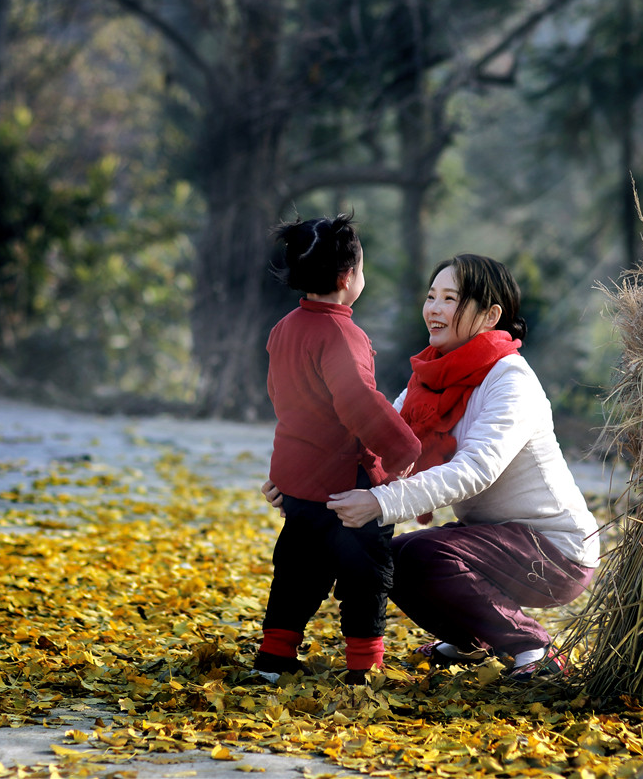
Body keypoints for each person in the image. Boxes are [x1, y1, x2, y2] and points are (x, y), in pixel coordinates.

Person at [268, 253, 600, 682]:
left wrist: (380, 501)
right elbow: (375, 442)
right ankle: (470, 642)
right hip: (493, 539)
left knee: (426, 554)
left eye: (451, 299)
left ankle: (533, 647)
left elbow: (476, 469)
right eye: (431, 296)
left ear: (490, 315)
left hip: (555, 551)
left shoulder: (510, 380)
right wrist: (298, 484)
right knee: (396, 558)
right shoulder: (430, 375)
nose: (434, 309)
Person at [254, 214, 422, 686]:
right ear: (349, 278)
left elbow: (280, 396)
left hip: (299, 482)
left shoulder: (284, 329)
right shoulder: (341, 334)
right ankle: (363, 668)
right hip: (347, 484)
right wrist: (403, 449)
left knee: (296, 572)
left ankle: (273, 658)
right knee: (364, 574)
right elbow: (358, 403)